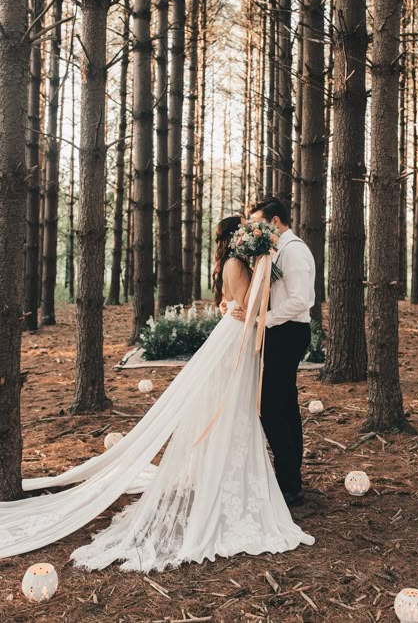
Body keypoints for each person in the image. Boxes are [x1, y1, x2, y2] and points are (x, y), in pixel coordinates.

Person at [0, 215, 314, 572]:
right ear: (238, 241)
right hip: (237, 338)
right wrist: (251, 301)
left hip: (238, 334)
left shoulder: (236, 263)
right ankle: (232, 476)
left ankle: (239, 474)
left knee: (238, 407)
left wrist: (238, 302)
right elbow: (246, 306)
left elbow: (233, 303)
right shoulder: (237, 265)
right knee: (235, 407)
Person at [230, 198, 316, 507]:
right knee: (285, 407)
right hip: (281, 332)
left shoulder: (293, 252)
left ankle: (289, 485)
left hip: (289, 333)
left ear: (275, 221)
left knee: (270, 407)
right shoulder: (278, 250)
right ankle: (291, 480)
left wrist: (261, 319)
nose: (253, 228)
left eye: (257, 222)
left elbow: (300, 300)